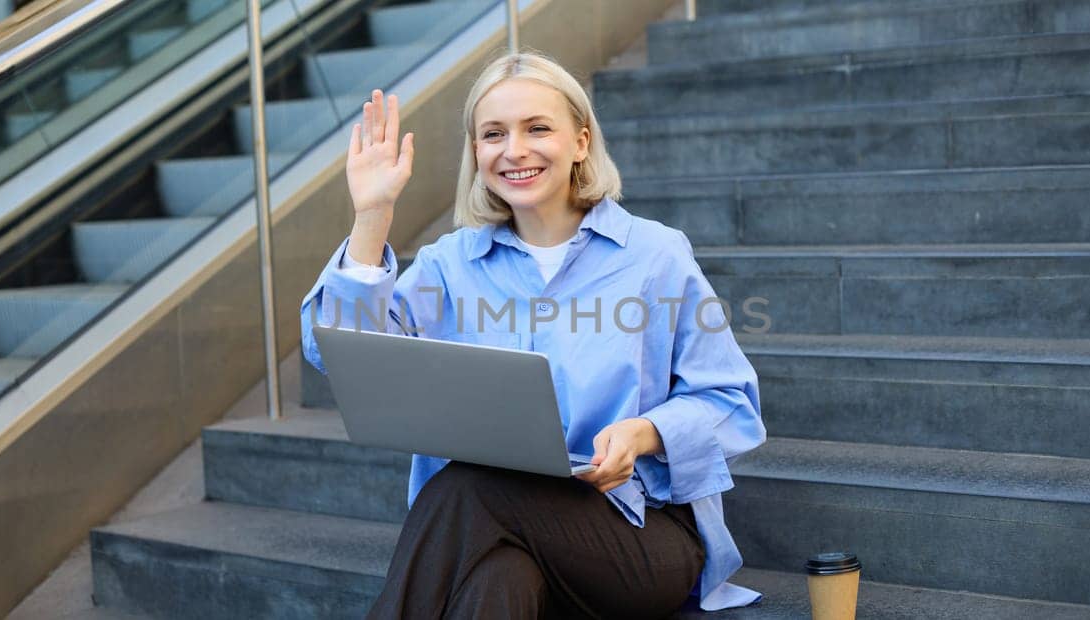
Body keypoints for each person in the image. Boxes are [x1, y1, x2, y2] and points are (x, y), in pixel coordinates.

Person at [299, 52, 766, 618]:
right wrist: (372, 216)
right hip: (494, 530)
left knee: (466, 486)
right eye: (493, 133)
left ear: (581, 142)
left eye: (537, 128)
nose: (514, 150)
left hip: (636, 536)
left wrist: (645, 433)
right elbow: (339, 353)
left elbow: (732, 405)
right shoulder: (451, 264)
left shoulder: (655, 255)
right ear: (477, 152)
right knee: (497, 582)